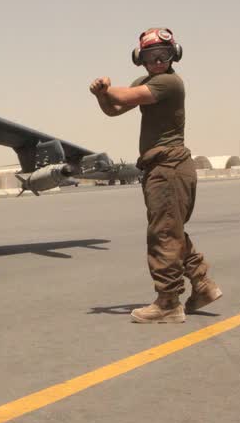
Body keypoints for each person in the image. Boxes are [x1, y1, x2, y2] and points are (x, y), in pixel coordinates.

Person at [89, 28, 222, 323]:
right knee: (171, 231)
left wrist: (105, 87)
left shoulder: (169, 83)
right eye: (152, 56)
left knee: (162, 234)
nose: (159, 60)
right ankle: (202, 286)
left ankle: (168, 303)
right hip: (161, 169)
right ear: (140, 59)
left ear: (175, 55)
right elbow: (114, 108)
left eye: (164, 54)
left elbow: (123, 94)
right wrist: (102, 96)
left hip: (169, 167)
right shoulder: (147, 82)